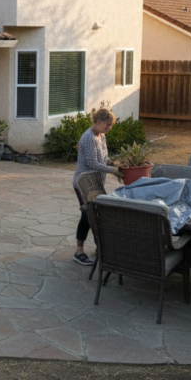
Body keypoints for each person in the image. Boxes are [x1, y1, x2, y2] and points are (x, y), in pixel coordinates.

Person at [71, 108, 124, 266]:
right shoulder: (89, 138)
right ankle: (79, 252)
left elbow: (104, 157)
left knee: (96, 216)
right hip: (83, 183)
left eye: (111, 126)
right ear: (99, 122)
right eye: (108, 125)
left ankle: (100, 248)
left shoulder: (101, 136)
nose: (109, 128)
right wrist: (114, 171)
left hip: (95, 183)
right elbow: (92, 163)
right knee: (87, 216)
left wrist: (114, 164)